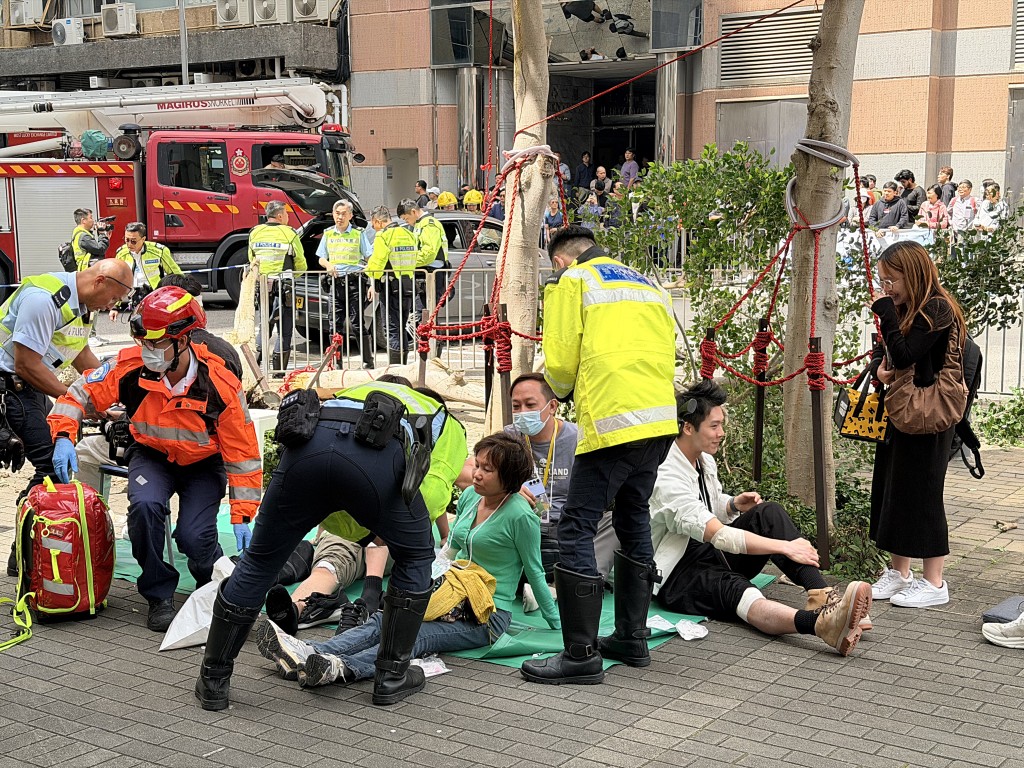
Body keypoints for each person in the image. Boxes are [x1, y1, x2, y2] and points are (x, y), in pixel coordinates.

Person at [193, 380, 455, 711]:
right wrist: (372, 526)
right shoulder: (444, 421)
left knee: (259, 562)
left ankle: (214, 680)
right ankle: (390, 679)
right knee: (416, 556)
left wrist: (333, 515)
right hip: (375, 466)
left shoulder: (360, 389)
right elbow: (429, 494)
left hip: (305, 451)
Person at [256, 432, 559, 690]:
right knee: (389, 618)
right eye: (477, 464)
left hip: (486, 613)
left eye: (488, 469)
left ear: (509, 477)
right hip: (449, 591)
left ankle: (340, 667)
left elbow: (535, 571)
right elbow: (450, 552)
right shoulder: (469, 498)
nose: (476, 474)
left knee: (415, 636)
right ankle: (308, 652)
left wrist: (558, 625)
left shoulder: (521, 516)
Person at [48, 286, 262, 632]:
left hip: (202, 465)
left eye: (157, 343)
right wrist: (63, 436)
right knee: (145, 509)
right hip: (151, 455)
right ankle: (158, 594)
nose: (148, 350)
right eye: (144, 342)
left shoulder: (219, 385)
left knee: (194, 537)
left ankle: (213, 579)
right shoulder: (130, 366)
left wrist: (242, 514)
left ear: (184, 340)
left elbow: (243, 454)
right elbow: (79, 393)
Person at [520, 225, 677, 685]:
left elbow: (562, 365)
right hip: (659, 421)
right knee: (633, 517)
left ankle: (580, 654)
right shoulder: (647, 282)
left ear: (562, 260)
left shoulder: (574, 281)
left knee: (577, 525)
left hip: (613, 422)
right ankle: (632, 637)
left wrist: (562, 392)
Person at [650, 381, 872, 656]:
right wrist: (784, 546)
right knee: (742, 592)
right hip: (677, 576)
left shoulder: (704, 459)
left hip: (708, 552)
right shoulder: (666, 474)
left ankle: (822, 596)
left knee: (768, 512)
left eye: (722, 425)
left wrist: (731, 504)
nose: (721, 433)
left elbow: (705, 506)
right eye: (714, 426)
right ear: (687, 427)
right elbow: (719, 534)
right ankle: (822, 624)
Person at [265, 376, 468, 637]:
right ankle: (299, 608)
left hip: (376, 536)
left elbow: (445, 498)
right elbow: (435, 501)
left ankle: (349, 598)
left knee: (342, 556)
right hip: (361, 530)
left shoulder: (396, 443)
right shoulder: (414, 444)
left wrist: (444, 539)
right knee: (330, 564)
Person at [1, 259, 133, 575]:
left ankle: (26, 552)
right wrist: (74, 399)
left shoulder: (82, 306)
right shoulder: (43, 300)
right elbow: (26, 364)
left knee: (54, 465)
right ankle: (23, 552)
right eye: (114, 298)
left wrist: (107, 394)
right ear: (100, 281)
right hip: (10, 386)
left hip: (27, 386)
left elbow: (80, 354)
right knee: (49, 467)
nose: (112, 306)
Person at [75, 273, 242, 494]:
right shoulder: (225, 351)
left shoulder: (161, 352)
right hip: (210, 455)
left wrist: (122, 420)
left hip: (163, 452)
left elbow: (167, 416)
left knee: (84, 451)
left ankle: (95, 518)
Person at [868, 241, 967, 609]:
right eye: (883, 280)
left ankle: (934, 582)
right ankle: (900, 573)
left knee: (924, 494)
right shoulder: (904, 307)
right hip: (901, 408)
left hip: (931, 413)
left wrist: (887, 315)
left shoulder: (938, 309)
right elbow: (887, 350)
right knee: (893, 488)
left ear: (913, 274)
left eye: (892, 280)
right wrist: (877, 367)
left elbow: (908, 352)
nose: (887, 288)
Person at [507, 373, 619, 585]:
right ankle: (563, 582)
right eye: (516, 406)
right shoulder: (509, 438)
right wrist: (509, 488)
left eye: (530, 405)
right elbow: (472, 472)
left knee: (616, 520)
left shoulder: (579, 439)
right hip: (524, 524)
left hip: (570, 526)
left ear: (552, 406)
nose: (522, 413)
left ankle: (582, 581)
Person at [249, 200, 306, 370]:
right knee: (285, 329)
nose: (288, 217)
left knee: (264, 326)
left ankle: (256, 367)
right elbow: (301, 263)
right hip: (284, 287)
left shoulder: (255, 232)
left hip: (263, 287)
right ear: (280, 216)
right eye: (287, 214)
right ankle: (279, 371)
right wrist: (294, 276)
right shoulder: (289, 233)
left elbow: (252, 260)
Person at [316, 200, 373, 368]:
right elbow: (321, 257)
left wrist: (371, 280)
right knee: (335, 324)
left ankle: (368, 363)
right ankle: (336, 363)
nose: (340, 217)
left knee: (357, 323)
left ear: (350, 215)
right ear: (333, 215)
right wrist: (328, 265)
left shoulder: (358, 233)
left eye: (343, 214)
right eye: (337, 213)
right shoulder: (328, 234)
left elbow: (369, 258)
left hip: (355, 282)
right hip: (336, 283)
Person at [364, 205, 418, 364]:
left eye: (373, 225)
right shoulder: (408, 233)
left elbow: (377, 264)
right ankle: (404, 366)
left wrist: (368, 272)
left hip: (390, 286)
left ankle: (395, 369)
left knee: (392, 329)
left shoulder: (383, 237)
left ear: (377, 221)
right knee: (401, 327)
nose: (373, 228)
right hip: (407, 285)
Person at [109, 222, 181, 321]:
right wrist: (115, 307)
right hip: (135, 296)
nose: (129, 244)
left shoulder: (159, 251)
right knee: (137, 327)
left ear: (143, 239)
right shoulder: (121, 253)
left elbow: (176, 275)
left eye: (133, 241)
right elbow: (118, 281)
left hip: (156, 295)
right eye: (126, 240)